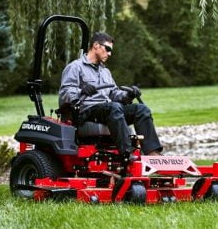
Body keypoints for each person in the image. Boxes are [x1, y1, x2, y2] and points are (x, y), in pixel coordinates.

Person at [59, 32, 163, 160]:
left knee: (141, 109)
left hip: (108, 110)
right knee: (114, 108)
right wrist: (81, 91)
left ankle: (153, 153)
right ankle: (126, 152)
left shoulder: (105, 71)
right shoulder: (75, 67)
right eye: (107, 49)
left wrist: (128, 95)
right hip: (86, 111)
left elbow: (114, 94)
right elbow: (65, 93)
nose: (109, 54)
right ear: (96, 45)